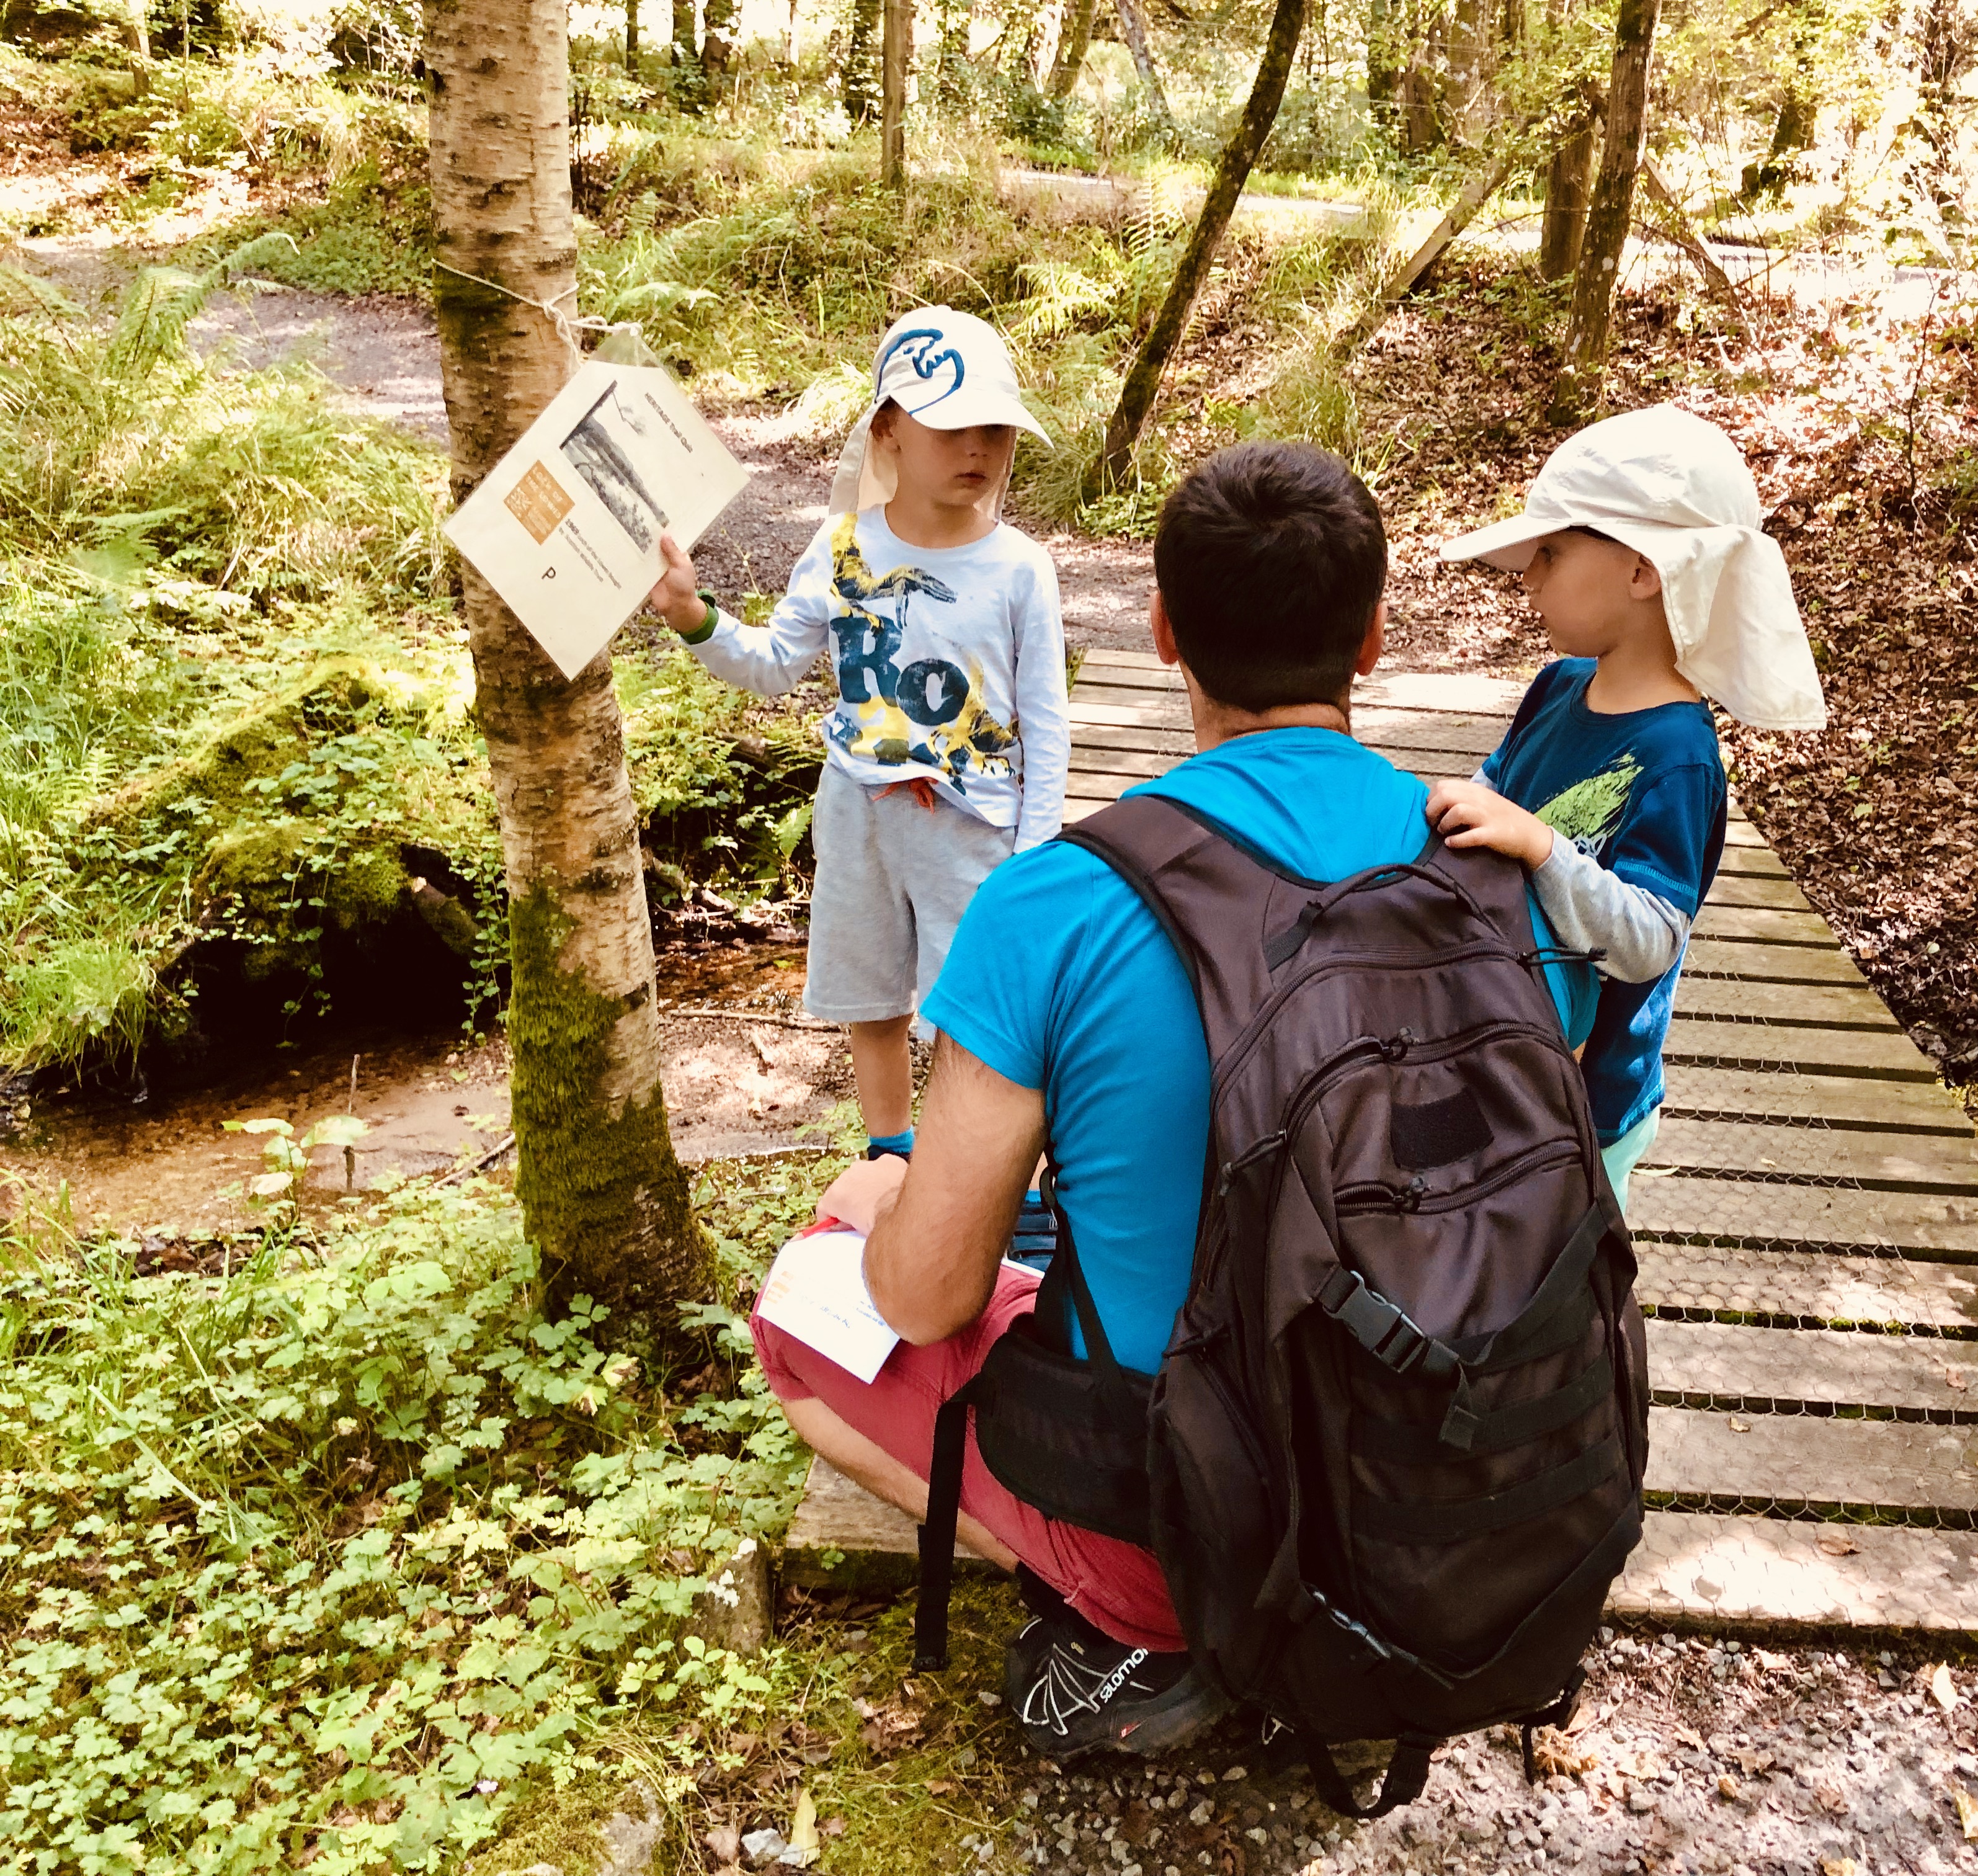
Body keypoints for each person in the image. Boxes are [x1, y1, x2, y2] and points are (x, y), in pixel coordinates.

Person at [748, 441, 1596, 1760]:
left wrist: (886, 1190)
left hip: (1192, 1506)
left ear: (1161, 633)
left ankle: (1145, 1619)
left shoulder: (1059, 904)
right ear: (1372, 641)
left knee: (804, 1313)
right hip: (1449, 1482)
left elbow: (926, 1298)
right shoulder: (1493, 866)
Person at [645, 306, 1068, 1165]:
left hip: (975, 823)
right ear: (888, 431)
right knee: (871, 996)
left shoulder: (1021, 567)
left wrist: (1038, 850)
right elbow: (771, 665)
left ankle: (988, 1177)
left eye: (993, 429)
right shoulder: (841, 547)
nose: (977, 450)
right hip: (858, 813)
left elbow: (1047, 725)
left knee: (980, 1010)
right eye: (950, 428)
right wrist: (697, 618)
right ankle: (891, 1158)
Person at [1427, 404, 1826, 1213]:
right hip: (1506, 1049)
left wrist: (1542, 849)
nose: (1529, 576)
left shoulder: (1679, 755)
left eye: (1551, 552)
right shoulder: (1559, 686)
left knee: (1558, 1280)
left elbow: (1649, 937)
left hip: (1587, 1106)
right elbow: (1493, 791)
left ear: (1644, 570)